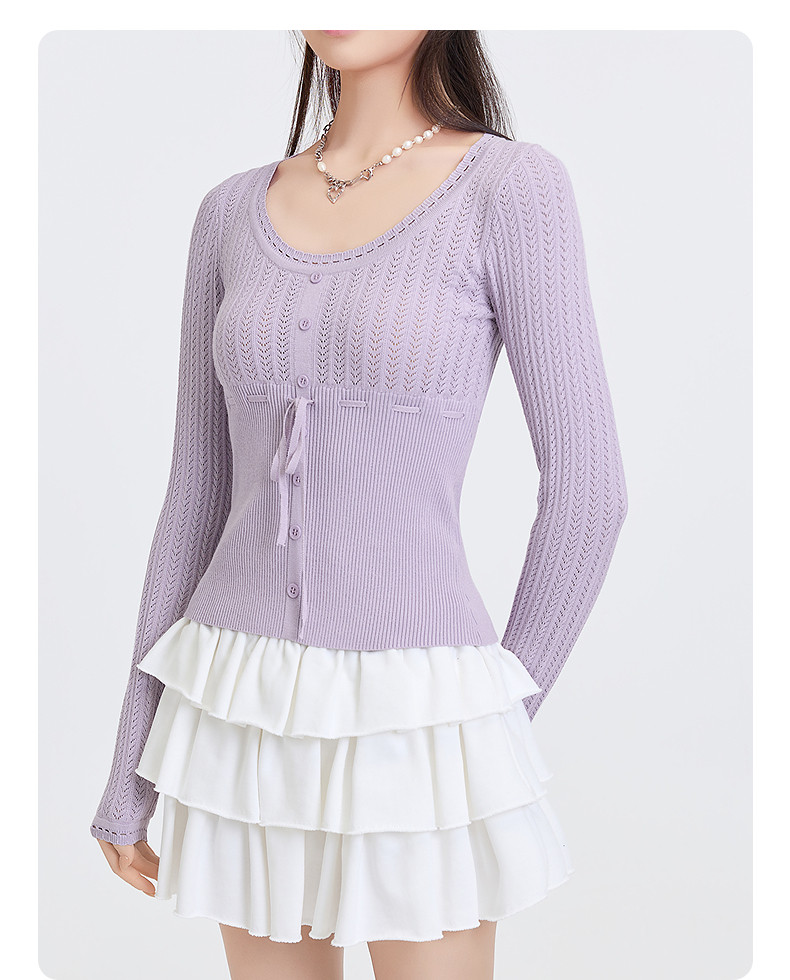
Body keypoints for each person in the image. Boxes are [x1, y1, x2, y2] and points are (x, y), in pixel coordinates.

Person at [89, 29, 628, 980]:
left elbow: (590, 492)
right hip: (239, 709)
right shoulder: (228, 212)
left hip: (415, 710)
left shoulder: (510, 188)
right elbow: (194, 498)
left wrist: (493, 725)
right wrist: (130, 765)